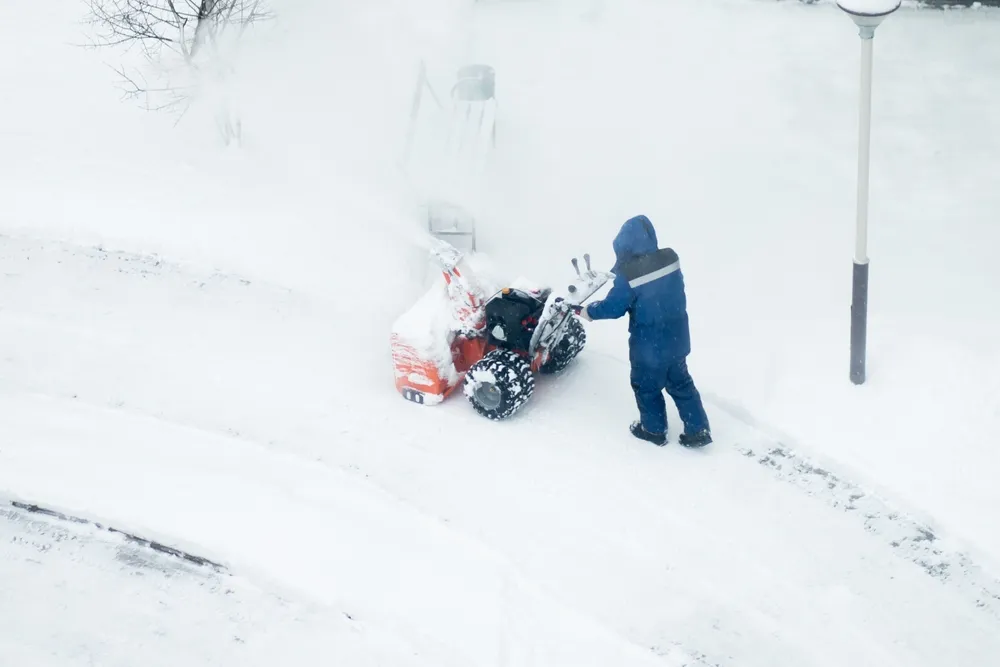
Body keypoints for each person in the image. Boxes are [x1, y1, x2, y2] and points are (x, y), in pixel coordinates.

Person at [579, 215, 712, 447]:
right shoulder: (670, 258)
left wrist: (588, 311)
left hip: (649, 346)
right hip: (677, 338)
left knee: (646, 387)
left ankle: (653, 430)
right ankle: (698, 430)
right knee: (681, 383)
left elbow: (613, 307)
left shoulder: (629, 274)